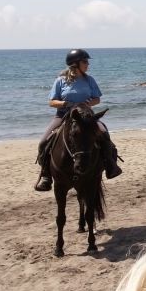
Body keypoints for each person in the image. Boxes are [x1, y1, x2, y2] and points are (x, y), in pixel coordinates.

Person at [34, 49, 123, 191]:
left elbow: (97, 99)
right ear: (75, 64)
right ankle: (46, 176)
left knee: (104, 133)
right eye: (85, 61)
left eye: (87, 62)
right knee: (43, 142)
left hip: (86, 117)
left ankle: (111, 166)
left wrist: (87, 104)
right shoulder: (60, 81)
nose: (87, 64)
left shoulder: (89, 80)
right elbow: (51, 102)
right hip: (63, 115)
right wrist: (65, 104)